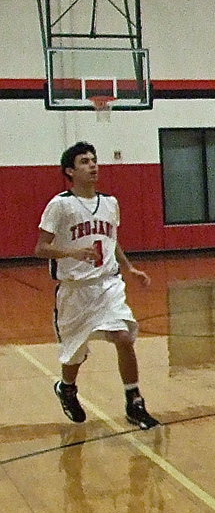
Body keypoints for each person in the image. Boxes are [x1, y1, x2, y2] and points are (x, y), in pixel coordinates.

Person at [34, 142, 158, 429]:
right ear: (70, 171)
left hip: (108, 285)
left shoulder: (111, 203)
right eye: (84, 162)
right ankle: (66, 387)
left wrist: (130, 268)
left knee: (124, 337)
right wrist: (71, 253)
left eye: (93, 160)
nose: (92, 165)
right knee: (74, 356)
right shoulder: (60, 205)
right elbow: (40, 248)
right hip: (75, 291)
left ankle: (134, 402)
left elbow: (112, 242)